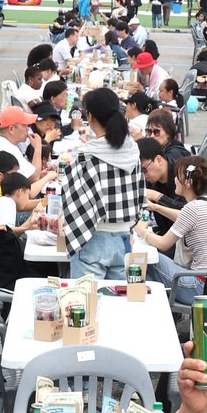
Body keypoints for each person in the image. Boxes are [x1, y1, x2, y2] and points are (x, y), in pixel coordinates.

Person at [59, 88, 145, 279]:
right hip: (125, 238)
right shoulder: (133, 151)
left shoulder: (88, 156)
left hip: (92, 237)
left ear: (89, 116)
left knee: (86, 304)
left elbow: (71, 201)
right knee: (121, 303)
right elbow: (140, 195)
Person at [135, 154, 207, 291]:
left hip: (199, 284)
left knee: (144, 259)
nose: (174, 179)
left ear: (188, 182)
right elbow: (184, 217)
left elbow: (163, 243)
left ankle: (152, 305)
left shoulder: (192, 208)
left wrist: (141, 231)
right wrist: (156, 207)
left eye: (177, 176)